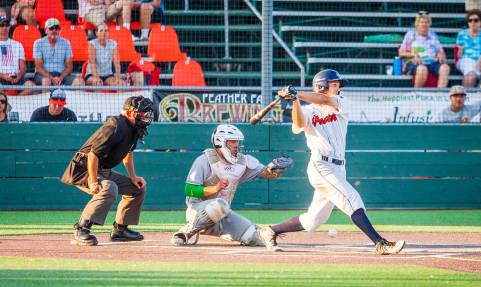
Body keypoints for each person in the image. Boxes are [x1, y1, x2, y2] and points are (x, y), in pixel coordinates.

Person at [258, 70, 405, 255]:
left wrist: (297, 93)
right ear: (321, 86)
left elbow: (325, 100)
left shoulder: (341, 102)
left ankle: (271, 231)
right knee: (352, 198)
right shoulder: (309, 110)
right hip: (321, 165)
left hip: (338, 167)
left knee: (313, 221)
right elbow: (300, 124)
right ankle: (380, 243)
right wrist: (295, 101)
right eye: (334, 84)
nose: (338, 88)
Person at [170, 124, 293, 247]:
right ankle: (186, 232)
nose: (236, 145)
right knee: (219, 204)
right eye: (232, 141)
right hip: (197, 212)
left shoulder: (242, 161)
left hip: (224, 215)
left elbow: (266, 173)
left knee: (255, 237)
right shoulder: (204, 160)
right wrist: (215, 188)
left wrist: (275, 168)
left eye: (237, 142)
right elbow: (189, 190)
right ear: (220, 142)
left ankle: (248, 234)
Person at [60, 96, 154, 246]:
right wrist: (92, 181)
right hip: (83, 169)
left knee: (138, 188)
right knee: (110, 187)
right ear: (129, 112)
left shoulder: (135, 127)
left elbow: (128, 154)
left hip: (102, 170)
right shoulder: (115, 125)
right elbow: (93, 155)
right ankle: (82, 228)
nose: (146, 116)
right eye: (142, 112)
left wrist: (133, 177)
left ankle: (120, 230)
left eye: (147, 113)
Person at [399, 11, 450, 88]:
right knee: (422, 69)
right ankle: (417, 95)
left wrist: (441, 54)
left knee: (445, 68)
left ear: (430, 24)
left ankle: (439, 95)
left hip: (432, 63)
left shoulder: (433, 35)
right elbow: (401, 52)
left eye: (426, 22)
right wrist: (413, 54)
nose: (424, 24)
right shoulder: (411, 34)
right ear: (417, 23)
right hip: (415, 62)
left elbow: (441, 51)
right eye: (422, 22)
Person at [33, 18, 85, 87]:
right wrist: (51, 78)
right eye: (51, 28)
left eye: (57, 28)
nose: (54, 30)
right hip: (44, 75)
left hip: (62, 75)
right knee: (46, 81)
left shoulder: (66, 43)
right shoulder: (38, 43)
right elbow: (39, 67)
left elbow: (69, 66)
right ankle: (46, 97)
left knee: (80, 82)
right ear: (46, 30)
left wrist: (60, 77)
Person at [456, 9, 481, 87]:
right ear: (468, 22)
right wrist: (459, 51)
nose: (473, 23)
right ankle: (467, 96)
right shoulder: (462, 34)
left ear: (480, 22)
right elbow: (458, 52)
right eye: (470, 20)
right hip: (467, 59)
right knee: (471, 74)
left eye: (476, 20)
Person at [0, 15, 35, 95]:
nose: (5, 28)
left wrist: (18, 76)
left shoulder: (17, 44)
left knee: (31, 86)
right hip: (1, 77)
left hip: (15, 77)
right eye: (2, 25)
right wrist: (4, 76)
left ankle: (15, 100)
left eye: (7, 25)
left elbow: (23, 67)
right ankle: (6, 101)